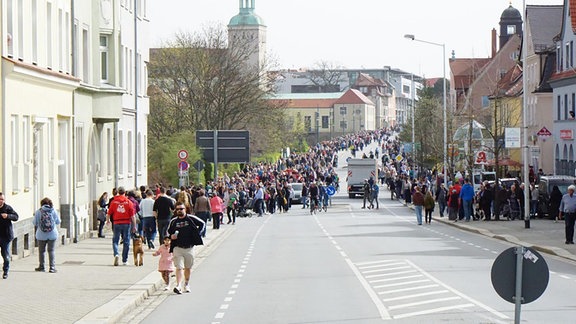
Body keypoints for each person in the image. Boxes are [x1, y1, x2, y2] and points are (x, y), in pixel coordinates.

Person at [167, 202, 205, 294]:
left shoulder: (191, 218)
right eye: (178, 209)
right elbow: (168, 232)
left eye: (181, 209)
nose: (179, 211)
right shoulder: (174, 221)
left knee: (188, 267)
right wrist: (171, 236)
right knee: (179, 267)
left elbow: (202, 224)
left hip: (189, 247)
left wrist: (197, 234)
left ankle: (186, 284)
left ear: (185, 209)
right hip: (177, 247)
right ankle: (178, 285)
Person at [106, 186, 137, 266]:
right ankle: (124, 260)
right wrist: (134, 226)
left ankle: (116, 254)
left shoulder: (114, 202)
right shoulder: (128, 202)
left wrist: (108, 221)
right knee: (126, 241)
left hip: (116, 223)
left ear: (118, 192)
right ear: (124, 193)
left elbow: (109, 213)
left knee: (115, 240)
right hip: (126, 223)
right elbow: (133, 216)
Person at [32, 197, 61, 273]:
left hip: (41, 235)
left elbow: (34, 223)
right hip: (52, 234)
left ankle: (42, 267)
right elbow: (58, 222)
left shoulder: (38, 212)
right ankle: (52, 267)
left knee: (41, 251)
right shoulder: (53, 210)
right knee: (51, 250)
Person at [0, 192, 19, 279]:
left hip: (5, 236)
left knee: (6, 256)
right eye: (0, 199)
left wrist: (8, 216)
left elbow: (16, 217)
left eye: (2, 199)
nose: (1, 201)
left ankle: (5, 271)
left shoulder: (7, 208)